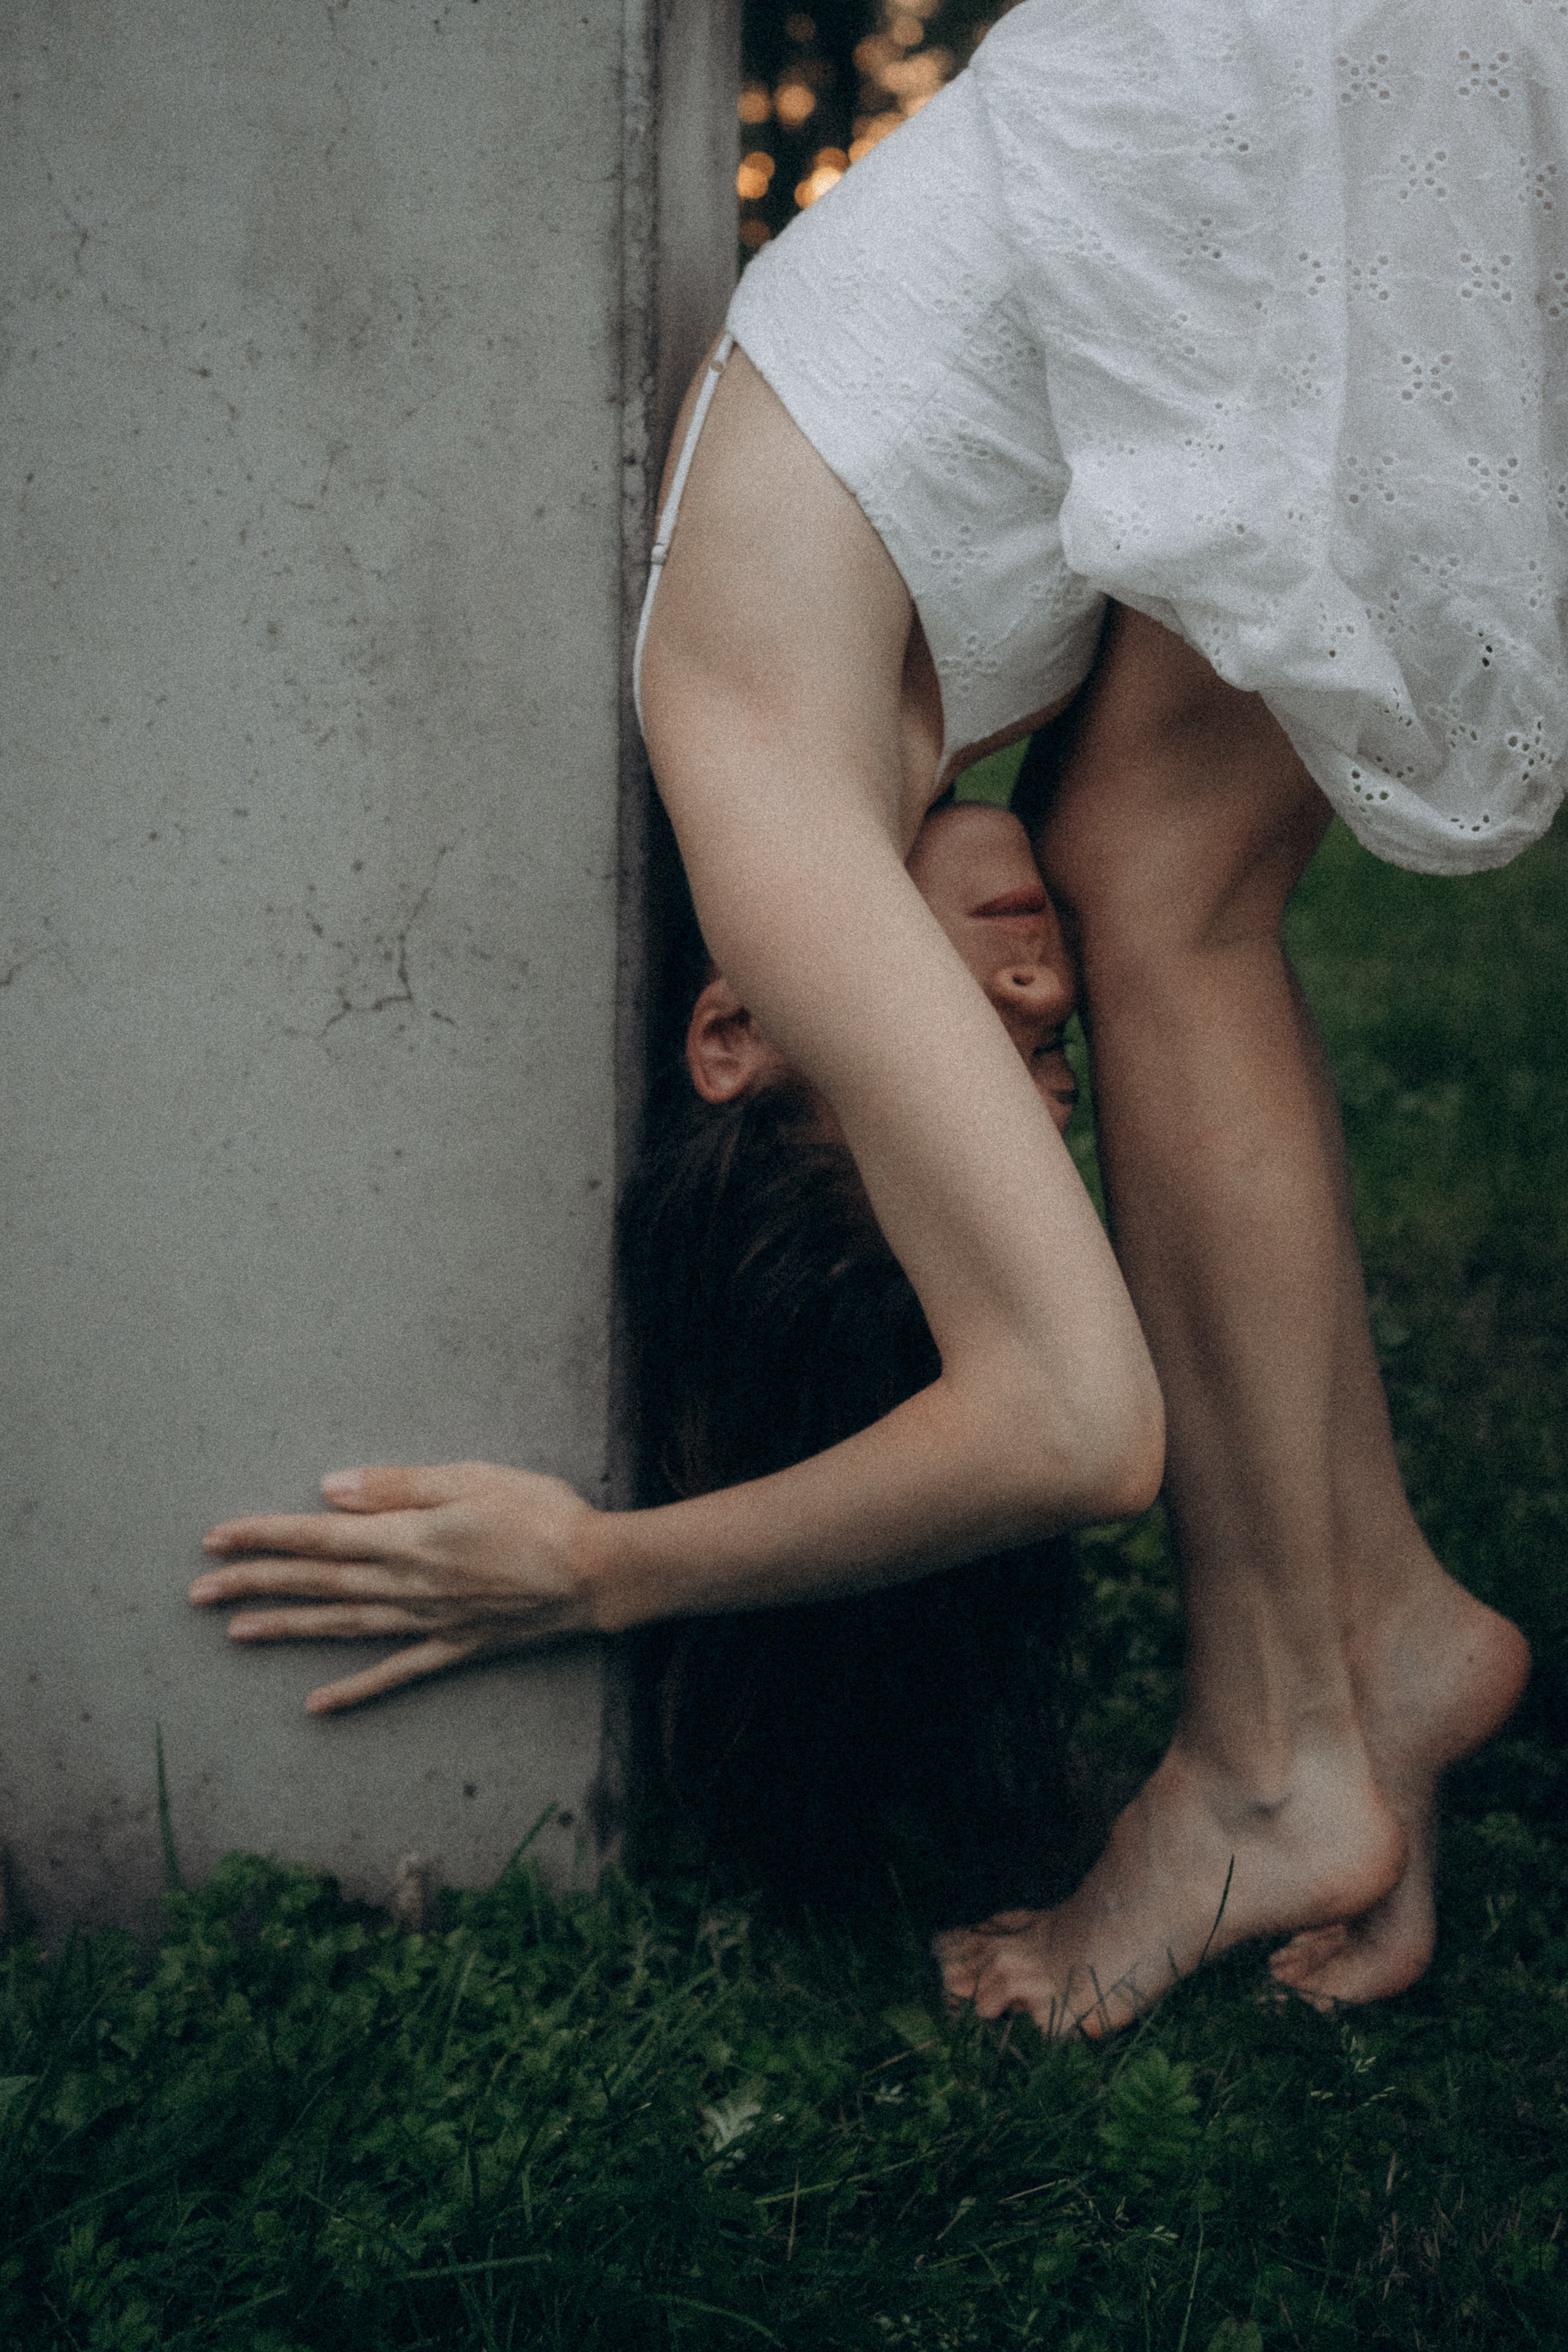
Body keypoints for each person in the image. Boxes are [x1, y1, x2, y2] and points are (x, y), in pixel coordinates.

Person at [195, 0, 1556, 2032]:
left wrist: (601, 1569)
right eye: (1044, 1075)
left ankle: (1287, 1746)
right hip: (1283, 138)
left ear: (740, 1031)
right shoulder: (904, 712)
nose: (1030, 996)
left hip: (1274, 93)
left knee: (1155, 898)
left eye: (968, 1060)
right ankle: (1364, 1650)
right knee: (1151, 876)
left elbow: (1081, 1423)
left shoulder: (745, 746)